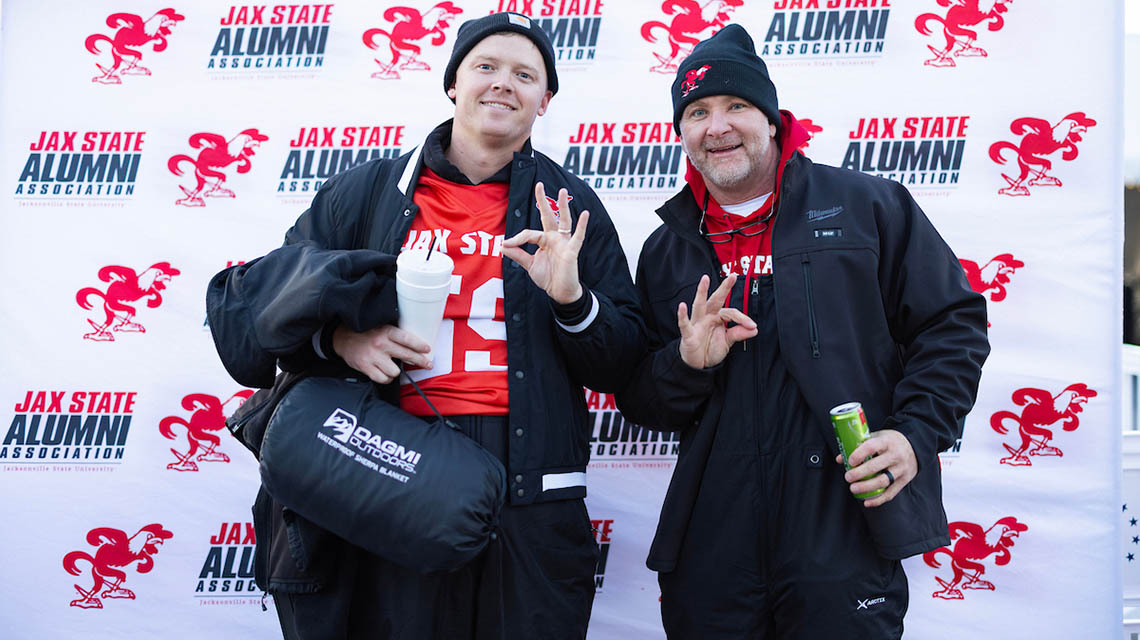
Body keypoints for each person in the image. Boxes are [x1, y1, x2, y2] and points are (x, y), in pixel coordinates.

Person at [206, 12, 644, 640]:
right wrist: (340, 341)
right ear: (452, 84)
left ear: (544, 100)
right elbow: (256, 311)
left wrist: (572, 300)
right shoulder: (366, 192)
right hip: (387, 468)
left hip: (528, 494)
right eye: (485, 67)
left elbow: (621, 364)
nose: (502, 84)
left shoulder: (570, 206)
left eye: (525, 74)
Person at [614, 24, 990, 639]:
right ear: (680, 132)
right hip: (713, 533)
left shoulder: (867, 206)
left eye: (737, 105)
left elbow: (952, 324)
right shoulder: (667, 250)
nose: (718, 126)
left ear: (772, 119)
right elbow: (643, 399)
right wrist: (686, 364)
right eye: (698, 111)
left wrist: (916, 435)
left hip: (844, 517)